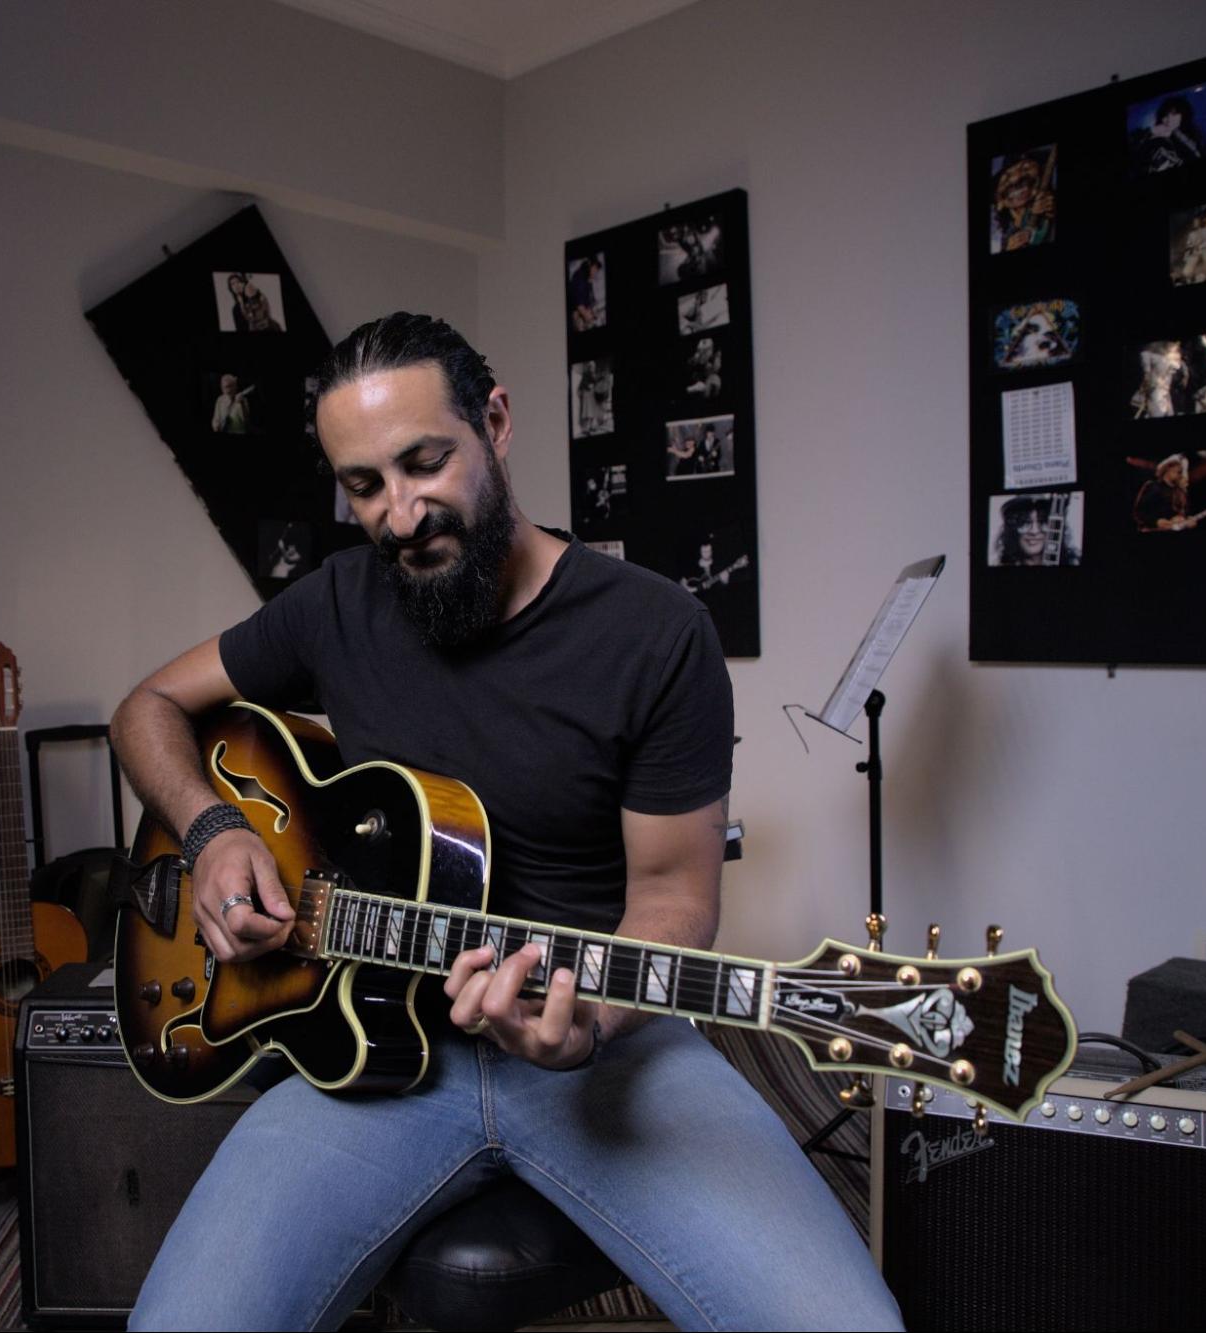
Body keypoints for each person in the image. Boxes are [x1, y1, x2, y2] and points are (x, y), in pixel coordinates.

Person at [112, 313, 901, 1331]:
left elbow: (672, 895)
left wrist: (592, 1022)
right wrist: (214, 826)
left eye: (423, 463)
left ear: (495, 421)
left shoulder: (655, 632)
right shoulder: (336, 602)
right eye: (362, 486)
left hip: (609, 1048)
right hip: (376, 1049)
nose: (398, 516)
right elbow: (146, 709)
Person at [1129, 450, 1206, 531]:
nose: (1181, 471)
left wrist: (1188, 520)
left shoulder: (1181, 492)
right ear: (1167, 468)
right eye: (1177, 468)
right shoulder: (1152, 486)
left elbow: (1184, 514)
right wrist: (1157, 522)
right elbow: (1139, 512)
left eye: (1181, 469)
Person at [989, 150, 1054, 253]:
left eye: (1025, 169)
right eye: (1007, 176)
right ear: (999, 203)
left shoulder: (1046, 216)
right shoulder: (1004, 239)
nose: (1016, 177)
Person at [993, 494, 1079, 566]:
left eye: (1043, 522)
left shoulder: (1074, 563)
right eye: (1025, 523)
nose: (1034, 531)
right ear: (1012, 529)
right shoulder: (1000, 565)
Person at [568, 254, 603, 331]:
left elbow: (591, 300)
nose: (596, 272)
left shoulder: (586, 277)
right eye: (595, 269)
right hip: (576, 315)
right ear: (589, 265)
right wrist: (589, 316)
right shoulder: (581, 278)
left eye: (597, 270)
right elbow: (580, 305)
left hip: (582, 312)